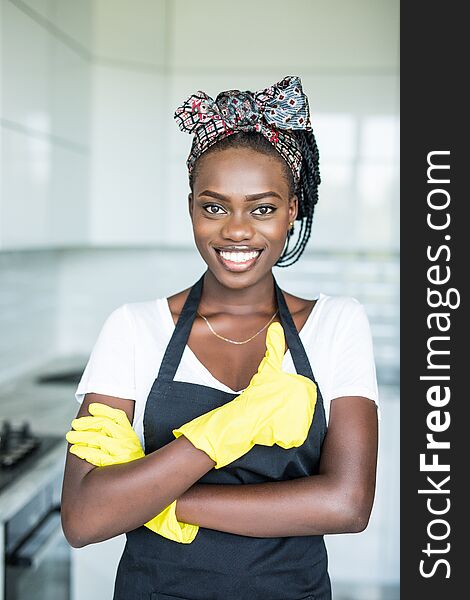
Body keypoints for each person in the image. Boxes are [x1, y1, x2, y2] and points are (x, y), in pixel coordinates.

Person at [61, 75, 379, 600]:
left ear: (292, 209)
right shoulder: (134, 328)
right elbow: (82, 519)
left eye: (262, 208)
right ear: (191, 208)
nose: (236, 230)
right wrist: (227, 429)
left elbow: (346, 505)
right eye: (214, 207)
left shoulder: (336, 325)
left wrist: (152, 496)